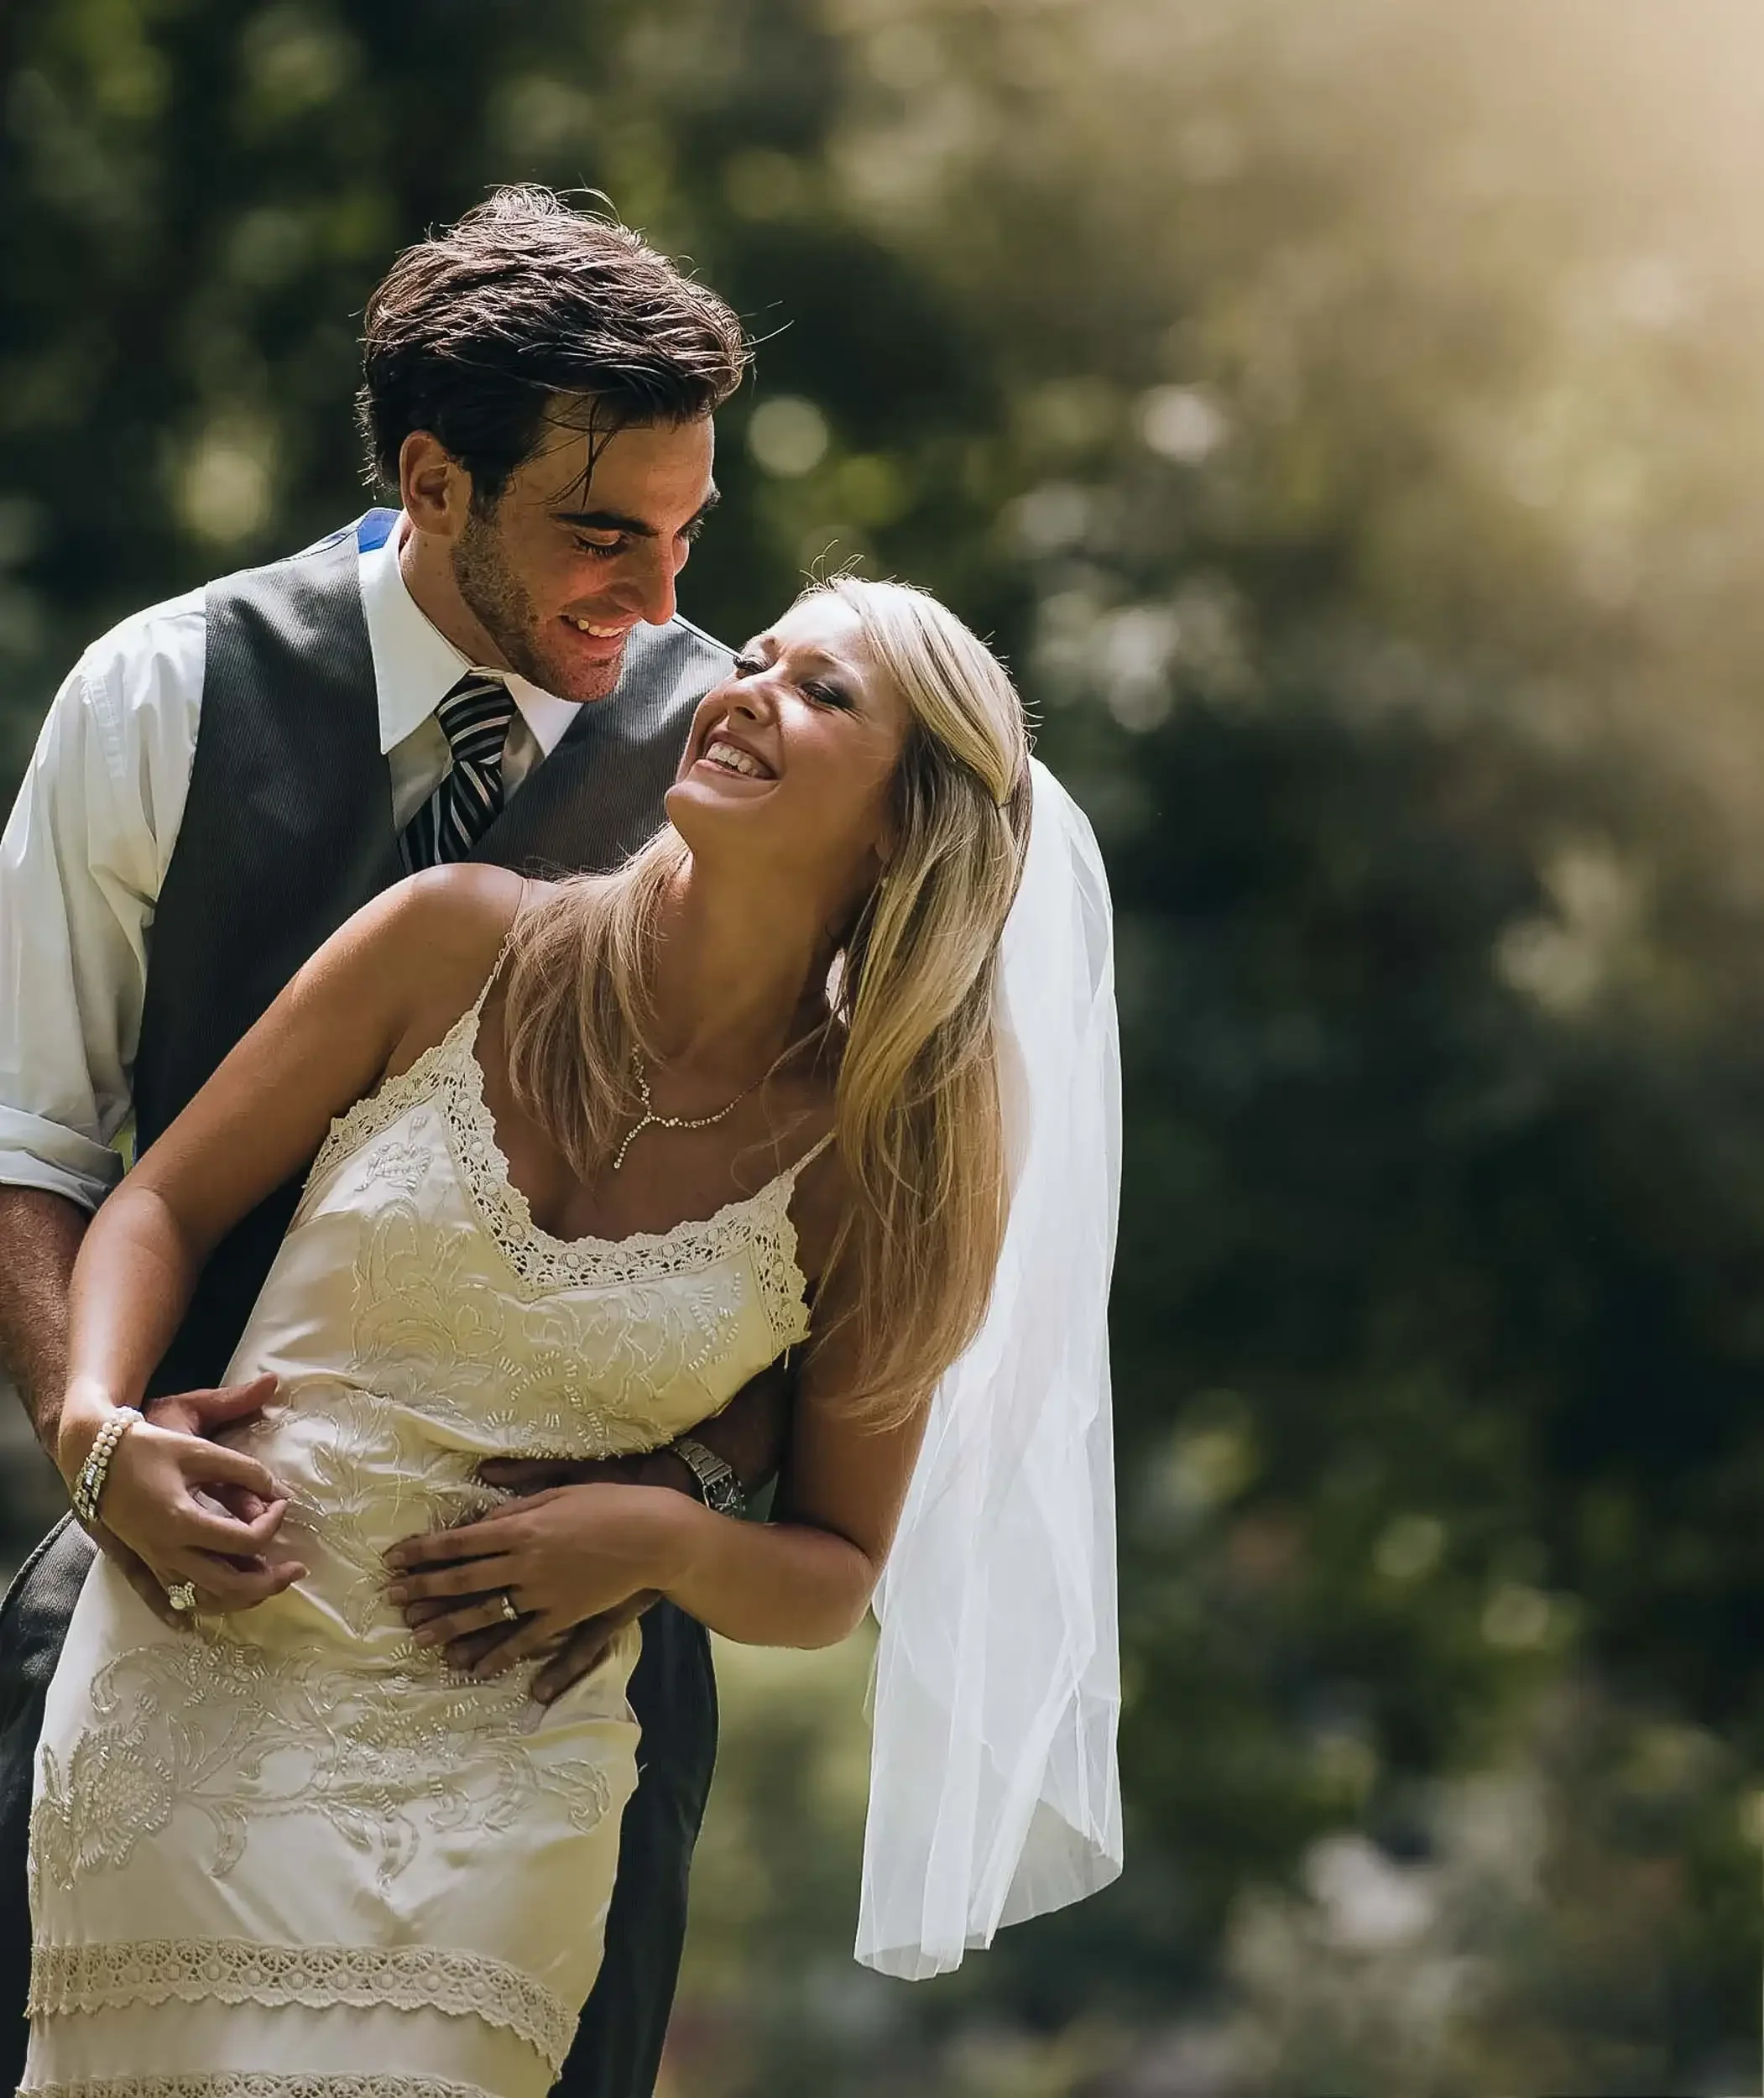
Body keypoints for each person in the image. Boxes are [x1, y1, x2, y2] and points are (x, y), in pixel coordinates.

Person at [22, 571, 1052, 2091]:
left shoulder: (882, 1166)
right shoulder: (449, 940)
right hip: (190, 1686)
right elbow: (159, 1207)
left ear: (908, 825)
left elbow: (831, 1571)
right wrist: (97, 1425)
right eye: (758, 658)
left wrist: (660, 1540)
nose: (744, 686)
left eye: (824, 693)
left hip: (502, 1779)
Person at [0, 185, 777, 2098]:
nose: (662, 599)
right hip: (159, 1617)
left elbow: (824, 1231)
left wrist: (676, 1498)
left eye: (689, 533)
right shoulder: (164, 693)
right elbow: (32, 1140)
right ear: (431, 481)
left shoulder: (749, 767)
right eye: (604, 533)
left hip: (554, 1694)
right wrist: (91, 1445)